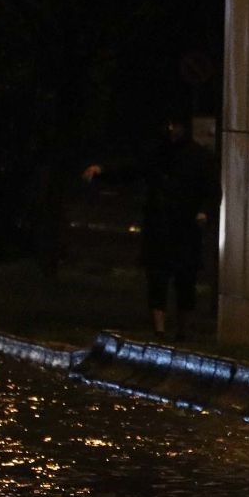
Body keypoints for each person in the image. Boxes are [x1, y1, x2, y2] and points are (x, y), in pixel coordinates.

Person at [83, 115, 217, 339]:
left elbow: (211, 190)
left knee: (185, 279)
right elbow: (132, 170)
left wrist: (204, 212)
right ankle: (160, 329)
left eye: (176, 125)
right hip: (160, 223)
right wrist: (103, 171)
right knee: (157, 277)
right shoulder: (159, 154)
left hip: (185, 226)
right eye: (170, 125)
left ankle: (183, 328)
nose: (172, 130)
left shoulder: (198, 157)